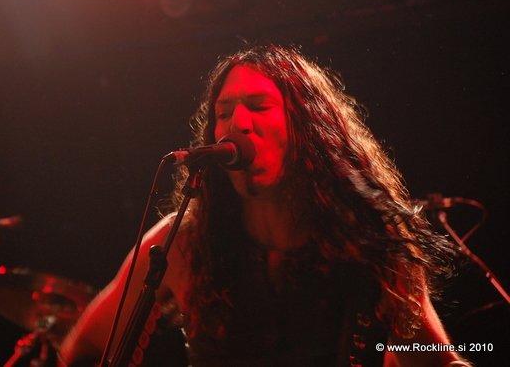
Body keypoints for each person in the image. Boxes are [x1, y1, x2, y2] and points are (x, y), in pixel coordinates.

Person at [59, 45, 470, 366]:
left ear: (308, 127)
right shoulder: (182, 242)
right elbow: (87, 346)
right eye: (223, 112)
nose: (237, 122)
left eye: (258, 106)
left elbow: (433, 361)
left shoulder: (371, 238)